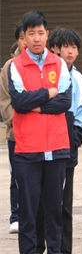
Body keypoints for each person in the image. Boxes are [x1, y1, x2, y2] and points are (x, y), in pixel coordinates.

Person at [9, 10, 73, 254]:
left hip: (56, 147)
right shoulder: (16, 66)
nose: (36, 38)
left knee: (54, 208)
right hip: (28, 149)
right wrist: (47, 93)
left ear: (47, 35)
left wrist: (36, 105)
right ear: (24, 37)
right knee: (28, 210)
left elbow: (65, 102)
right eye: (31, 33)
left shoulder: (58, 64)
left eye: (41, 33)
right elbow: (19, 101)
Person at [35, 28, 82, 254]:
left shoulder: (78, 78)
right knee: (41, 199)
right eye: (66, 46)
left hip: (68, 141)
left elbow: (81, 110)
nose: (70, 51)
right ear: (55, 48)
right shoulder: (48, 73)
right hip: (45, 139)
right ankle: (38, 249)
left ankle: (64, 252)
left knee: (64, 202)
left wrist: (76, 135)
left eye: (74, 47)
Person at [0, 23, 25, 235]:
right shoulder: (9, 67)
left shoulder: (45, 64)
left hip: (38, 135)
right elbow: (5, 102)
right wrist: (16, 125)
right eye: (24, 37)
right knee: (17, 176)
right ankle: (16, 216)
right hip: (15, 134)